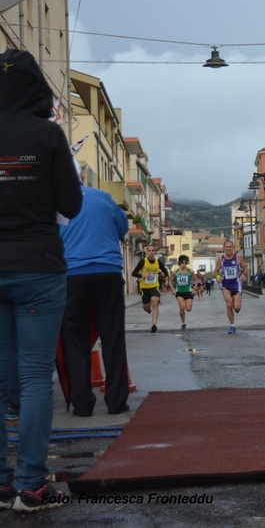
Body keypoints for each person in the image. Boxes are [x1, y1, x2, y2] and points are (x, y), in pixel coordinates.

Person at [0, 48, 84, 511]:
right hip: (38, 264)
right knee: (34, 378)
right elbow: (71, 205)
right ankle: (31, 486)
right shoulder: (48, 135)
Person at [59, 184, 130, 419]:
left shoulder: (56, 202)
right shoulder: (104, 198)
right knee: (113, 336)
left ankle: (82, 404)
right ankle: (116, 401)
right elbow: (122, 229)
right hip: (107, 272)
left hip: (72, 275)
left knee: (75, 340)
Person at [131, 244, 172, 333]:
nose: (151, 252)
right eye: (149, 251)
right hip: (144, 287)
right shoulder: (143, 262)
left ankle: (154, 325)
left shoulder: (158, 262)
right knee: (146, 308)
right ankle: (148, 310)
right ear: (146, 252)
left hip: (154, 285)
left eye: (153, 250)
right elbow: (133, 273)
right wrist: (143, 275)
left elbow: (165, 270)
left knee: (155, 301)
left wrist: (166, 279)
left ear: (155, 252)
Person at [214, 240, 247, 334]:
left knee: (237, 308)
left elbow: (245, 268)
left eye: (230, 247)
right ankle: (232, 326)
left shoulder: (238, 257)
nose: (228, 248)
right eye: (226, 247)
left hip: (236, 284)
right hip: (225, 284)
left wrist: (244, 274)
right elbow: (215, 271)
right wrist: (218, 276)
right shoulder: (221, 259)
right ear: (224, 248)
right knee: (229, 304)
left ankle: (235, 301)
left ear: (233, 248)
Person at [171, 255, 196, 330]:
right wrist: (173, 289)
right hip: (179, 292)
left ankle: (187, 304)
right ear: (179, 263)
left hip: (188, 292)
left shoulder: (190, 271)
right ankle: (183, 323)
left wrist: (194, 289)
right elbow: (170, 281)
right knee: (182, 307)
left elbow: (196, 279)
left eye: (185, 262)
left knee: (188, 309)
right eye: (182, 262)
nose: (184, 264)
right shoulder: (175, 272)